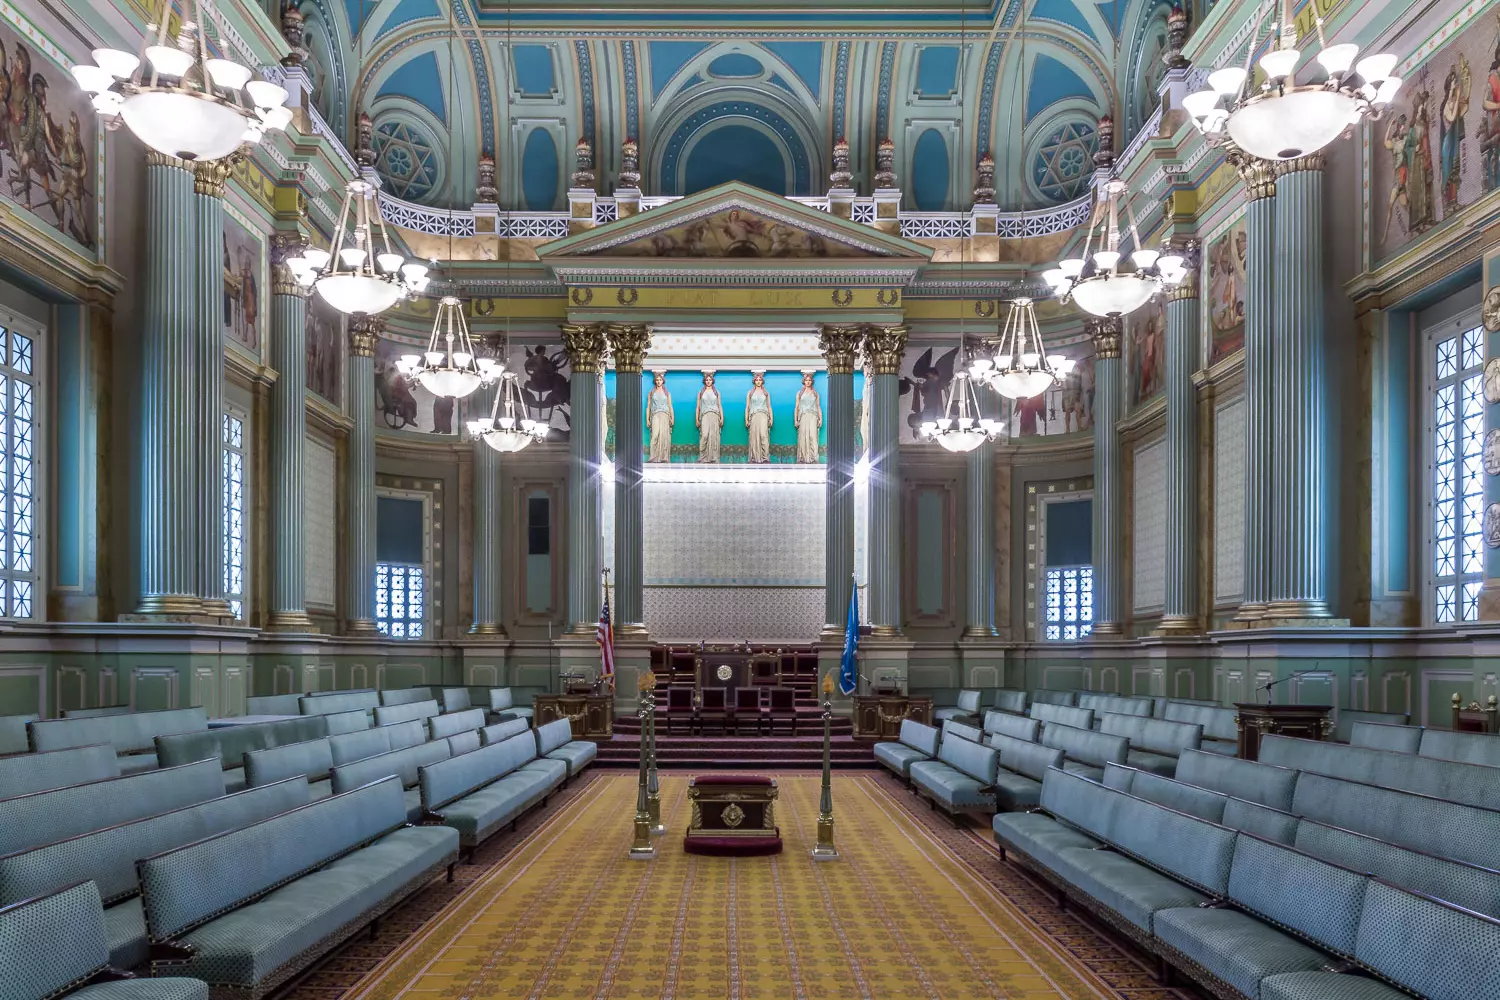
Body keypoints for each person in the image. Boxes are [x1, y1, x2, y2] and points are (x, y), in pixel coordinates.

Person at [793, 371, 821, 463]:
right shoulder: (800, 393)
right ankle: (802, 458)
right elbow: (796, 407)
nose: (808, 382)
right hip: (803, 416)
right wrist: (795, 420)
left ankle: (814, 458)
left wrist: (821, 419)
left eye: (809, 380)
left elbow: (818, 406)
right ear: (804, 381)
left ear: (811, 381)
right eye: (806, 380)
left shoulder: (815, 393)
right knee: (803, 437)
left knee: (813, 436)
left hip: (813, 416)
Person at [746, 371, 772, 463]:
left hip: (764, 415)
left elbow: (769, 406)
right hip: (753, 416)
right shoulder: (750, 392)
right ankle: (754, 458)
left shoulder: (766, 392)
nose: (758, 381)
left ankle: (765, 458)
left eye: (759, 380)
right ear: (754, 381)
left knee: (763, 435)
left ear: (762, 381)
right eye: (756, 380)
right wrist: (746, 419)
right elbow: (748, 407)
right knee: (754, 437)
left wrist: (771, 418)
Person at [647, 371, 673, 462]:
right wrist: (647, 419)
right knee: (655, 435)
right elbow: (648, 406)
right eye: (657, 380)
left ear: (663, 381)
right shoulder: (651, 392)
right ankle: (653, 457)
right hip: (655, 415)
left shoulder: (667, 393)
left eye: (660, 380)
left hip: (665, 415)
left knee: (664, 436)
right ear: (655, 381)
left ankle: (664, 457)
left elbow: (670, 406)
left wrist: (672, 418)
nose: (658, 381)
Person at [696, 371, 722, 463]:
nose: (708, 381)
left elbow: (719, 405)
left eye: (710, 380)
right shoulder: (701, 392)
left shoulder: (716, 392)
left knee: (713, 436)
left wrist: (721, 417)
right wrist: (697, 419)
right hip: (704, 415)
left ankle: (713, 458)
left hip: (715, 415)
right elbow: (698, 407)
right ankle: (702, 457)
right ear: (705, 381)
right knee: (705, 435)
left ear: (712, 381)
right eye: (707, 380)